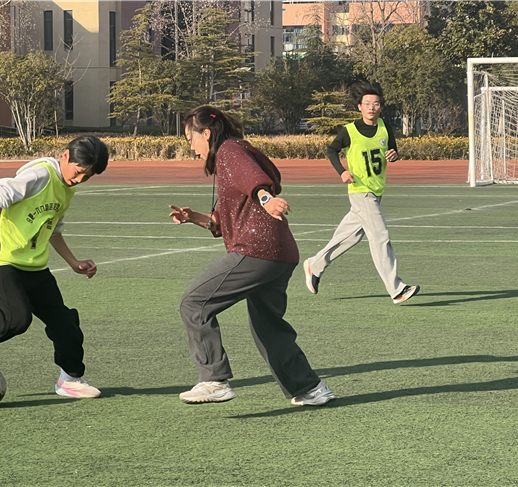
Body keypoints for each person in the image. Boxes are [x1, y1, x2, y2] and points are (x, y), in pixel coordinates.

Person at [169, 106, 334, 407]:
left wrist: (266, 198)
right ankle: (310, 388)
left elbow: (254, 180)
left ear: (207, 133)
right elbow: (221, 222)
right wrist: (194, 217)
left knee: (195, 303)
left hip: (257, 250)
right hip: (279, 254)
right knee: (268, 326)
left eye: (190, 138)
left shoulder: (228, 152)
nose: (190, 146)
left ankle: (214, 380)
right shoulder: (237, 153)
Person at [0, 136, 109, 399]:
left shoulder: (67, 188)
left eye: (87, 177)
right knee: (16, 319)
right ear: (65, 156)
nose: (79, 179)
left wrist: (73, 262)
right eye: (78, 172)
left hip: (34, 265)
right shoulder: (41, 175)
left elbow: (53, 229)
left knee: (64, 322)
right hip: (0, 259)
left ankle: (70, 379)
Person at [303, 82, 420, 304]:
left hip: (376, 191)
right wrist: (342, 172)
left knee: (350, 235)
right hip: (360, 190)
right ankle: (397, 289)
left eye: (376, 104)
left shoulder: (385, 127)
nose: (371, 107)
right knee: (380, 236)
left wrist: (394, 155)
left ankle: (314, 265)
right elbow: (332, 150)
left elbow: (393, 151)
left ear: (380, 107)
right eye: (367, 103)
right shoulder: (349, 130)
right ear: (359, 107)